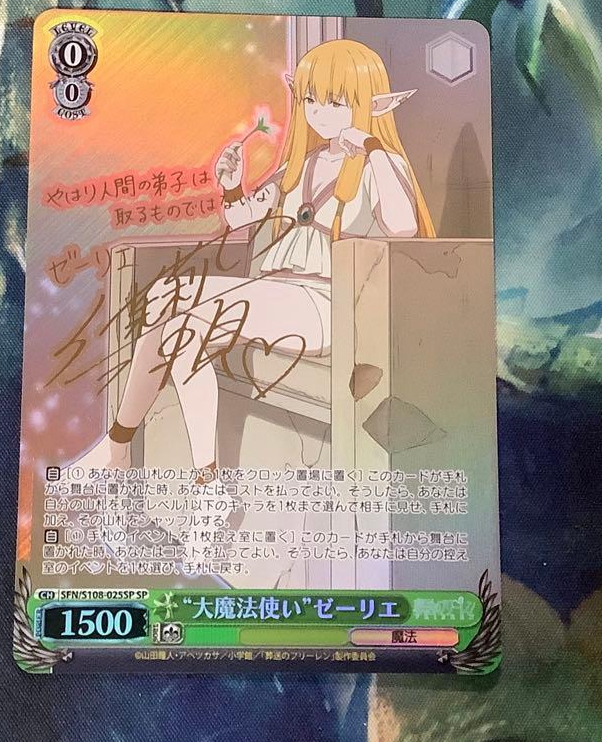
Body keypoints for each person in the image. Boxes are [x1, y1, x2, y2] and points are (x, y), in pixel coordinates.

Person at [73, 38, 435, 494]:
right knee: (174, 318)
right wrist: (231, 185)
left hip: (326, 305)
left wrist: (371, 145)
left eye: (335, 102)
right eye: (310, 99)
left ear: (370, 105)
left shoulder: (383, 164)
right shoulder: (300, 166)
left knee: (175, 308)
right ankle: (184, 474)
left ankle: (137, 458)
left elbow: (403, 227)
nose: (319, 112)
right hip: (273, 292)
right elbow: (241, 216)